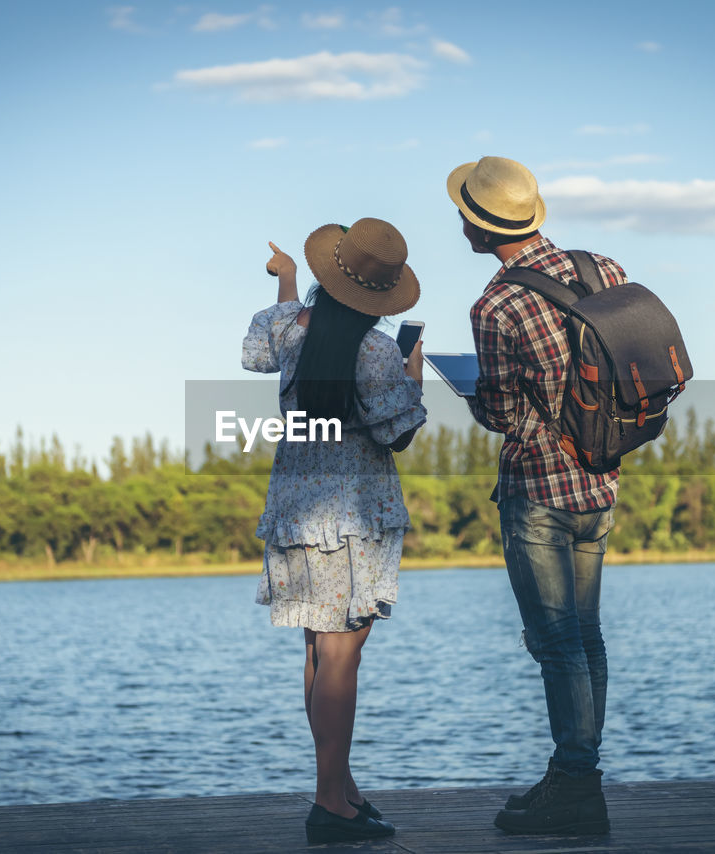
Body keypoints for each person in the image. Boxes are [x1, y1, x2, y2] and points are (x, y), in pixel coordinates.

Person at [447, 156, 627, 836]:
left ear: (481, 226)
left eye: (463, 212)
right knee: (586, 638)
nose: (459, 220)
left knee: (558, 645)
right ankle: (571, 776)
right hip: (602, 481)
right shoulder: (601, 269)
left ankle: (577, 788)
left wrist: (473, 393)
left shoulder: (495, 305)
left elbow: (499, 412)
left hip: (540, 491)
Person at [241, 217, 426, 844]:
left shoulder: (290, 332)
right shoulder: (376, 351)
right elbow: (395, 430)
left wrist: (287, 278)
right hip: (352, 513)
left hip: (295, 506)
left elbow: (260, 347)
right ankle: (330, 803)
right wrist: (414, 374)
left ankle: (340, 788)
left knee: (321, 652)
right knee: (342, 651)